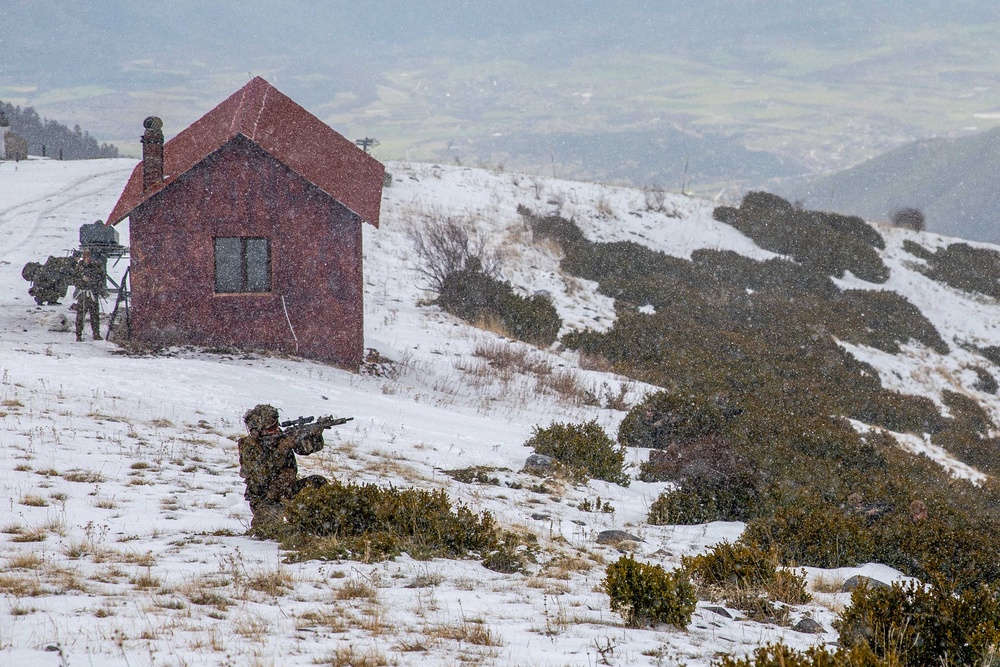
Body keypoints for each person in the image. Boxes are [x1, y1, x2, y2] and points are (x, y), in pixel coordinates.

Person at [238, 404, 328, 537]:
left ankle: (319, 525)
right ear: (257, 431)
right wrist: (283, 448)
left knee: (317, 482)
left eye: (276, 426)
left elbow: (306, 449)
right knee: (267, 533)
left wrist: (314, 434)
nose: (276, 430)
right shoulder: (249, 446)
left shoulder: (281, 437)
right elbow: (262, 474)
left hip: (288, 491)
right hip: (266, 498)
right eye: (271, 429)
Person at [73, 249, 106, 341]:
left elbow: (100, 278)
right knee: (80, 316)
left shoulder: (95, 267)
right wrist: (82, 280)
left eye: (89, 257)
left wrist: (96, 285)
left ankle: (96, 334)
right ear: (83, 258)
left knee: (95, 315)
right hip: (83, 294)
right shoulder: (79, 268)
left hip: (93, 294)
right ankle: (78, 335)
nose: (88, 259)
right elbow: (75, 280)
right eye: (86, 257)